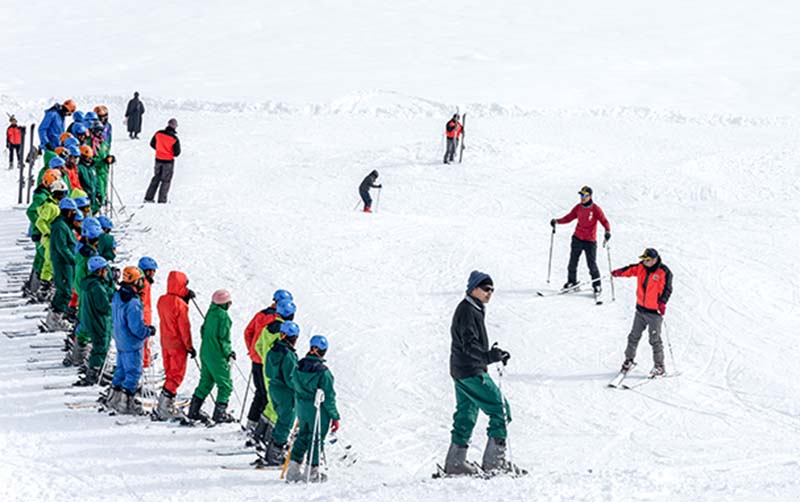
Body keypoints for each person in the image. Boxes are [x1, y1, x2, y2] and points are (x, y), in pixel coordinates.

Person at [443, 270, 520, 476]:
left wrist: (490, 355)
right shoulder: (468, 310)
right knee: (500, 409)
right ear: (473, 288)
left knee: (466, 413)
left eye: (492, 290)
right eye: (486, 289)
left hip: (461, 370)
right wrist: (489, 357)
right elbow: (469, 344)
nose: (489, 293)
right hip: (470, 370)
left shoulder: (472, 308)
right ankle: (495, 463)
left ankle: (455, 462)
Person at [285, 335, 340, 483]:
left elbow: (293, 382)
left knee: (303, 435)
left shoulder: (299, 366)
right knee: (316, 438)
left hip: (302, 407)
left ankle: (293, 470)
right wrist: (335, 416)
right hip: (317, 409)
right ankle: (312, 473)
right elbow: (329, 396)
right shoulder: (323, 372)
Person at [611, 248, 673, 377]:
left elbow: (668, 289)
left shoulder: (664, 272)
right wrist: (618, 273)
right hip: (640, 310)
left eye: (647, 260)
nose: (644, 262)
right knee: (633, 336)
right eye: (644, 260)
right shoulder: (640, 267)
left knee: (655, 340)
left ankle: (659, 366)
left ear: (655, 259)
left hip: (654, 312)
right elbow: (629, 269)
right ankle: (629, 360)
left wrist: (662, 302)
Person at [107, 266, 156, 415]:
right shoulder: (133, 302)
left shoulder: (117, 295)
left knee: (121, 371)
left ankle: (113, 398)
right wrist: (147, 331)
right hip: (131, 342)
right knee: (133, 372)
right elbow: (136, 327)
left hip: (120, 339)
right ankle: (126, 403)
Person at [243, 289, 293, 433]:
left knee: (260, 392)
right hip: (268, 363)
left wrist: (252, 350)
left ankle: (252, 423)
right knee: (269, 395)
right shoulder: (277, 322)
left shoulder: (261, 314)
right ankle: (262, 428)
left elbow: (248, 332)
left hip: (256, 357)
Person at [187, 289, 236, 424]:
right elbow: (223, 338)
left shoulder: (211, 312)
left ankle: (193, 411)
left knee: (206, 381)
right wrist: (228, 353)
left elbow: (203, 330)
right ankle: (220, 414)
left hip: (205, 352)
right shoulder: (223, 317)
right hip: (217, 355)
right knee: (225, 385)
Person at [550, 186, 611, 295]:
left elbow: (604, 221)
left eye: (584, 195)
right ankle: (572, 282)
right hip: (577, 238)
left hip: (590, 241)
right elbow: (569, 218)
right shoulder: (578, 207)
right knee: (572, 263)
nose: (582, 198)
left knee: (592, 265)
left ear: (590, 196)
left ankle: (597, 285)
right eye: (581, 195)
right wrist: (557, 221)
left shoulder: (596, 209)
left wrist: (607, 231)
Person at [154, 271, 196, 421]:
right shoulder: (180, 304)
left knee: (169, 372)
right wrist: (189, 346)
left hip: (165, 341)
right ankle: (165, 407)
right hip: (177, 343)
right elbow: (184, 328)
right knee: (176, 375)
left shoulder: (162, 300)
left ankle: (163, 403)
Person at [63, 217, 103, 367]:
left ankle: (77, 346)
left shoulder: (85, 250)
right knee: (85, 322)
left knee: (84, 320)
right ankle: (78, 352)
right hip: (86, 292)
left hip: (84, 291)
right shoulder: (86, 254)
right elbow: (81, 276)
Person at [263, 321, 301, 466]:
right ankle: (274, 454)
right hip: (285, 392)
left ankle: (273, 449)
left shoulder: (273, 350)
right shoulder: (288, 355)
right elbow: (290, 378)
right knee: (286, 422)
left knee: (281, 420)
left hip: (274, 388)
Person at [74, 256, 115, 386]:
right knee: (101, 346)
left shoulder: (88, 284)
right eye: (105, 270)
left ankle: (95, 370)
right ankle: (95, 372)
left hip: (89, 319)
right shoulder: (97, 287)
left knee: (98, 346)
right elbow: (103, 306)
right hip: (98, 321)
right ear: (100, 271)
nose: (107, 272)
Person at [23, 170, 60, 299]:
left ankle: (33, 286)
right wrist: (41, 227)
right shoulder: (41, 197)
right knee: (45, 259)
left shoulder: (44, 195)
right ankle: (37, 287)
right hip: (42, 233)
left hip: (42, 231)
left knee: (41, 258)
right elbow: (31, 212)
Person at [45, 198, 79, 332]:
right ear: (68, 212)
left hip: (66, 263)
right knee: (64, 291)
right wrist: (73, 259)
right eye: (73, 212)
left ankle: (54, 317)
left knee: (65, 290)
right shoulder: (60, 226)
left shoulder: (65, 225)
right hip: (63, 263)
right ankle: (55, 319)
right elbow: (62, 247)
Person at [34, 179, 69, 304]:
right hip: (49, 239)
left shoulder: (57, 205)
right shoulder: (50, 206)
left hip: (55, 237)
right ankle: (44, 287)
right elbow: (40, 221)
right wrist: (48, 231)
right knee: (49, 262)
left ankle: (50, 284)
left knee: (54, 262)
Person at [145, 119, 180, 203]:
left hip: (158, 159)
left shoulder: (158, 133)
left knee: (156, 178)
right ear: (174, 126)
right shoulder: (174, 139)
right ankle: (162, 200)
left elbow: (152, 144)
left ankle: (148, 198)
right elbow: (177, 153)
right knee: (166, 181)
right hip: (168, 162)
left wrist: (160, 150)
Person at [39, 100, 76, 168]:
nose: (67, 115)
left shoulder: (61, 117)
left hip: (58, 146)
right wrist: (46, 143)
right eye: (67, 113)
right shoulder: (52, 114)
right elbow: (42, 129)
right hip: (50, 147)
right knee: (51, 167)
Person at [138, 256, 158, 369]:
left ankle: (145, 358)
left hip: (145, 314)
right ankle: (145, 361)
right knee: (144, 339)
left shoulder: (144, 282)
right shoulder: (144, 284)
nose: (154, 273)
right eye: (152, 270)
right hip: (144, 316)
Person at [77, 145, 99, 214]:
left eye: (90, 157)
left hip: (93, 196)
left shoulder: (92, 168)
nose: (89, 160)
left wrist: (98, 192)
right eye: (87, 158)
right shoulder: (80, 168)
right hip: (85, 196)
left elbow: (96, 181)